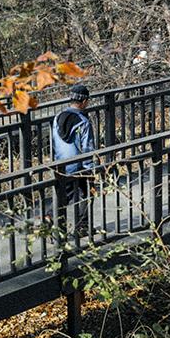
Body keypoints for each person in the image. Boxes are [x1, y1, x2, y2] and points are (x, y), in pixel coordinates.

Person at [50, 83, 96, 238]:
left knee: (64, 194)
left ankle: (50, 222)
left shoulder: (57, 118)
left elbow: (55, 142)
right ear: (84, 101)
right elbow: (87, 148)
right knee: (86, 192)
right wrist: (90, 169)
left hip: (60, 164)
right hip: (77, 166)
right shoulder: (83, 122)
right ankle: (80, 227)